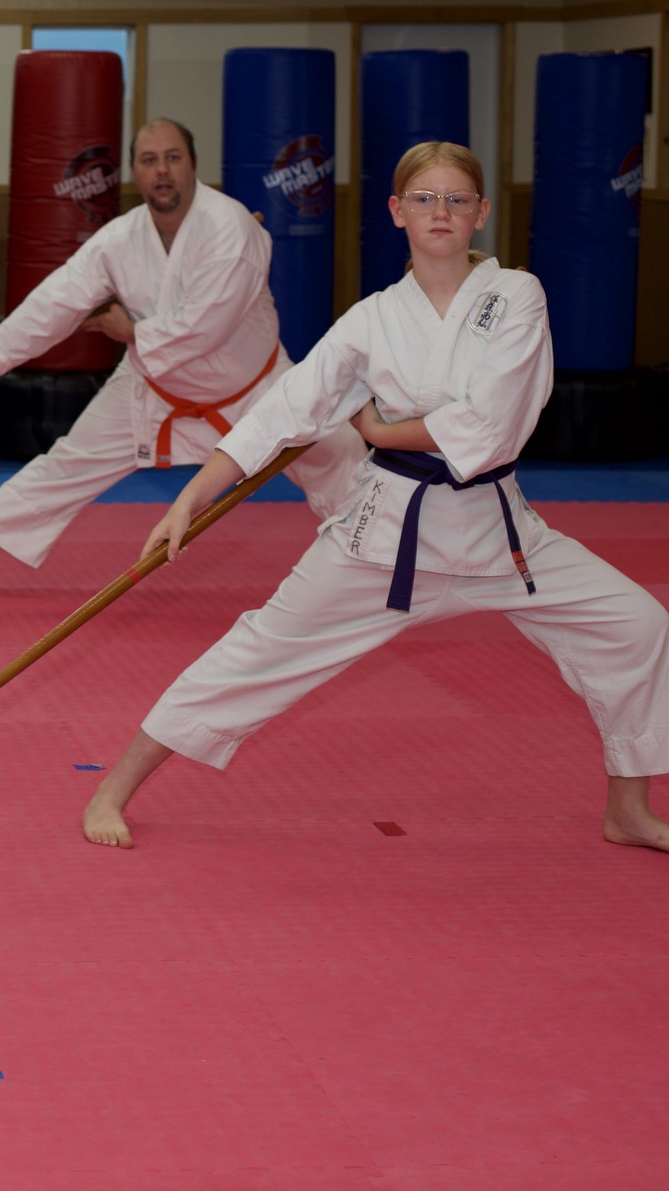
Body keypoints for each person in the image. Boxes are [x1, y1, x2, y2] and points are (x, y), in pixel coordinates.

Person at [82, 141, 669, 853]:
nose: (441, 212)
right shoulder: (372, 319)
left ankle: (628, 809)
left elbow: (490, 421)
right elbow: (283, 409)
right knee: (258, 649)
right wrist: (192, 500)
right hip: (385, 538)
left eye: (457, 199)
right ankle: (113, 786)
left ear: (482, 212)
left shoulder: (517, 295)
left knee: (636, 623)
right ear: (397, 212)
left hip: (498, 533)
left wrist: (383, 425)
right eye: (425, 199)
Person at [0, 119, 368, 602]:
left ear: (193, 165)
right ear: (134, 171)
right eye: (149, 161)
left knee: (340, 453)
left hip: (254, 388)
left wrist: (130, 332)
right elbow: (54, 303)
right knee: (60, 470)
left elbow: (204, 326)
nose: (162, 171)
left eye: (173, 157)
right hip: (151, 387)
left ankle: (376, 565)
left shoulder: (230, 227)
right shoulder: (119, 239)